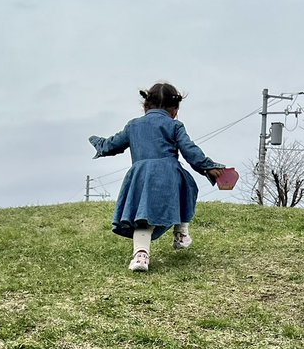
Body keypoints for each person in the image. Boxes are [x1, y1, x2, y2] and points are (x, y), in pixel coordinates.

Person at [88, 83, 226, 272]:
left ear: (145, 106)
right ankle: (181, 233)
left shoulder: (133, 125)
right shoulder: (175, 125)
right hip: (170, 174)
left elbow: (113, 145)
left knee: (142, 218)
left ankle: (141, 257)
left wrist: (98, 143)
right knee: (187, 189)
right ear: (175, 109)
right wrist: (208, 166)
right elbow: (189, 150)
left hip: (141, 176)